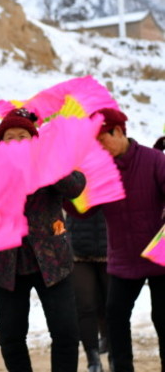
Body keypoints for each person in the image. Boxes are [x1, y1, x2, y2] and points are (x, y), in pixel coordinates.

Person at [0, 108, 85, 372]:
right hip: (7, 267)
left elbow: (76, 186)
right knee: (10, 336)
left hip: (52, 263)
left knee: (65, 333)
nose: (17, 142)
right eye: (10, 137)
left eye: (23, 136)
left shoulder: (50, 164)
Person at [92, 108, 165, 372]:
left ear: (120, 132)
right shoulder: (100, 170)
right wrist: (74, 180)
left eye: (103, 139)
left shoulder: (155, 160)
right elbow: (81, 208)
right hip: (123, 257)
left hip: (160, 258)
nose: (100, 146)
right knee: (115, 316)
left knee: (163, 318)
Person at [65, 209, 108, 372]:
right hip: (78, 245)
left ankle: (114, 356)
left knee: (111, 306)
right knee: (85, 306)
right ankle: (93, 360)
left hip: (111, 242)